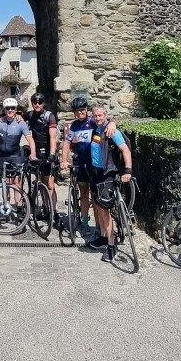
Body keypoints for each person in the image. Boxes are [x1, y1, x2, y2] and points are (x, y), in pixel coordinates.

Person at [60, 97, 116, 237]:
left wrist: (113, 123)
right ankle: (85, 223)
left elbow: (107, 121)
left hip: (94, 165)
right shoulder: (74, 126)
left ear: (86, 110)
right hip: (81, 164)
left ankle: (98, 226)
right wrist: (64, 160)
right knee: (84, 194)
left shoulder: (92, 121)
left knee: (95, 196)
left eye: (82, 110)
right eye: (77, 110)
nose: (80, 112)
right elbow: (67, 143)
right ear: (74, 112)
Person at [87, 105, 133, 263]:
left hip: (108, 173)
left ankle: (112, 246)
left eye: (100, 115)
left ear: (105, 115)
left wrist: (128, 171)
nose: (98, 118)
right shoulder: (96, 128)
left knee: (104, 209)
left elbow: (125, 150)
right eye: (95, 116)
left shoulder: (112, 131)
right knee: (98, 206)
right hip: (96, 172)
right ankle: (103, 237)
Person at [26, 92, 59, 222]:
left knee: (50, 185)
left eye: (40, 102)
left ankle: (54, 212)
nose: (37, 104)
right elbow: (16, 118)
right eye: (35, 102)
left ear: (43, 103)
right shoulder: (29, 115)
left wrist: (52, 154)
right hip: (37, 154)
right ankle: (45, 208)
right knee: (40, 183)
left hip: (48, 153)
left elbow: (53, 136)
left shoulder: (49, 116)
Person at [0, 97, 37, 176]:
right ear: (5, 110)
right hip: (1, 156)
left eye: (12, 108)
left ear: (16, 109)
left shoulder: (21, 123)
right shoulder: (0, 121)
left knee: (15, 181)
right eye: (7, 108)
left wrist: (33, 153)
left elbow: (30, 139)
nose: (10, 110)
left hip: (15, 156)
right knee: (3, 180)